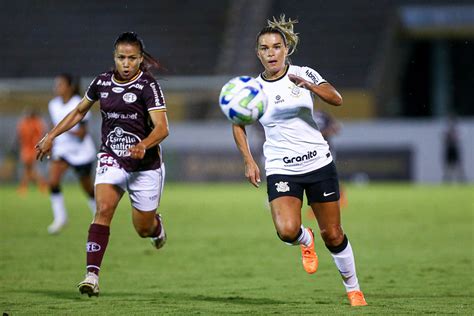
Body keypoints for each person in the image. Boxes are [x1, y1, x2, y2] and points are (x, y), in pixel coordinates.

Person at [232, 16, 367, 306]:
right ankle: (305, 240)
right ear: (258, 53)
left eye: (276, 47)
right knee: (287, 231)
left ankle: (354, 289)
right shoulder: (252, 90)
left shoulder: (304, 73)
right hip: (282, 168)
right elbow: (237, 124)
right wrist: (248, 160)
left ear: (286, 50)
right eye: (265, 48)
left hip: (318, 163)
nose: (271, 53)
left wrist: (309, 86)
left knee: (333, 234)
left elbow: (336, 98)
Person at [36, 32, 169, 297]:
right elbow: (79, 111)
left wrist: (144, 144)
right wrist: (51, 135)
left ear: (140, 59)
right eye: (121, 57)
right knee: (103, 209)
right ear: (114, 57)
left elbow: (163, 128)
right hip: (112, 157)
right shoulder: (102, 82)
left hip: (145, 165)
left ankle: (156, 227)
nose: (126, 63)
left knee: (143, 229)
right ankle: (91, 276)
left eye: (132, 58)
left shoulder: (148, 86)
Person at [46, 73, 97, 234]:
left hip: (81, 152)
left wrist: (61, 131)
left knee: (87, 188)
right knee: (53, 181)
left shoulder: (79, 103)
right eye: (56, 84)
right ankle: (60, 218)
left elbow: (82, 134)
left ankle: (100, 215)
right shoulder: (53, 104)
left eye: (60, 84)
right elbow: (53, 125)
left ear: (70, 87)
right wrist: (51, 139)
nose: (56, 88)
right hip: (62, 150)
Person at [17, 108, 47, 195]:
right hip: (27, 148)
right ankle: (41, 185)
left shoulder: (35, 123)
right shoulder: (33, 123)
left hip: (31, 148)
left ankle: (24, 187)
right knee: (29, 170)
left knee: (29, 169)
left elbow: (38, 135)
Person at [442, 116, 465, 182]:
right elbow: (444, 139)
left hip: (455, 149)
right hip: (449, 149)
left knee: (458, 165)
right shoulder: (446, 130)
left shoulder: (457, 129)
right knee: (448, 166)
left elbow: (458, 138)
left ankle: (461, 179)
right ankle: (447, 180)